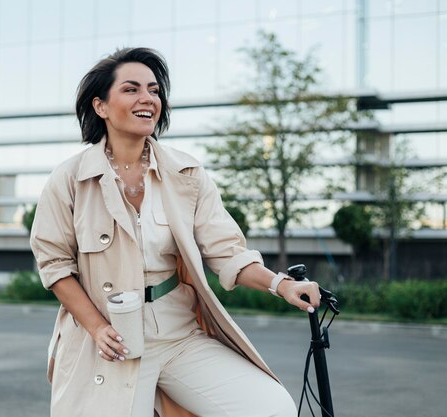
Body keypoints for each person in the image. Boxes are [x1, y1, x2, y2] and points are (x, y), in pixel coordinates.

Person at [30, 47, 321, 417]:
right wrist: (98, 328)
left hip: (178, 336)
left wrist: (282, 284)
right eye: (132, 89)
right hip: (110, 341)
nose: (148, 99)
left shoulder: (188, 175)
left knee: (270, 406)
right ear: (101, 106)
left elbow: (226, 251)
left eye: (154, 90)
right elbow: (54, 264)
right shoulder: (69, 179)